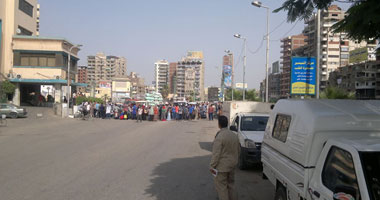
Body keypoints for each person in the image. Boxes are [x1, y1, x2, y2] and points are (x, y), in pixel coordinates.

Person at [210, 116, 240, 200]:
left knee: (222, 188)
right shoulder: (234, 135)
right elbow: (238, 150)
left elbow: (216, 154)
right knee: (231, 185)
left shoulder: (219, 136)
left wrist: (212, 166)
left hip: (222, 167)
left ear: (219, 124)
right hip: (232, 165)